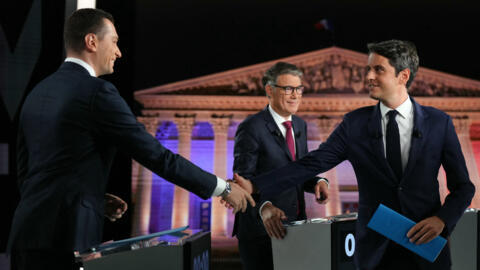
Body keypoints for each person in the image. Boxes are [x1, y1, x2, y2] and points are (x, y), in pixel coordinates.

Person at [8, 8, 254, 270]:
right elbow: (157, 156)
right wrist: (223, 188)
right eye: (113, 41)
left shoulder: (38, 92)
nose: (118, 52)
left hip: (26, 235)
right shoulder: (98, 92)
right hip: (69, 239)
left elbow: (29, 175)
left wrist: (91, 198)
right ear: (92, 42)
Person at [235, 40, 475, 270]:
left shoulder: (439, 123)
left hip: (426, 248)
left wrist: (442, 220)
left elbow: (464, 187)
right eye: (368, 69)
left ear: (403, 76)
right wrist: (255, 186)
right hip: (374, 252)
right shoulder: (355, 124)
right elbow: (311, 163)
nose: (368, 77)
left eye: (378, 70)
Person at [231, 62, 329, 270]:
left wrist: (317, 182)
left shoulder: (300, 125)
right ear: (269, 90)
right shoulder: (252, 128)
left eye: (299, 89)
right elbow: (242, 183)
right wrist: (265, 207)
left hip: (295, 228)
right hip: (261, 233)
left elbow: (297, 169)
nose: (295, 95)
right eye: (288, 89)